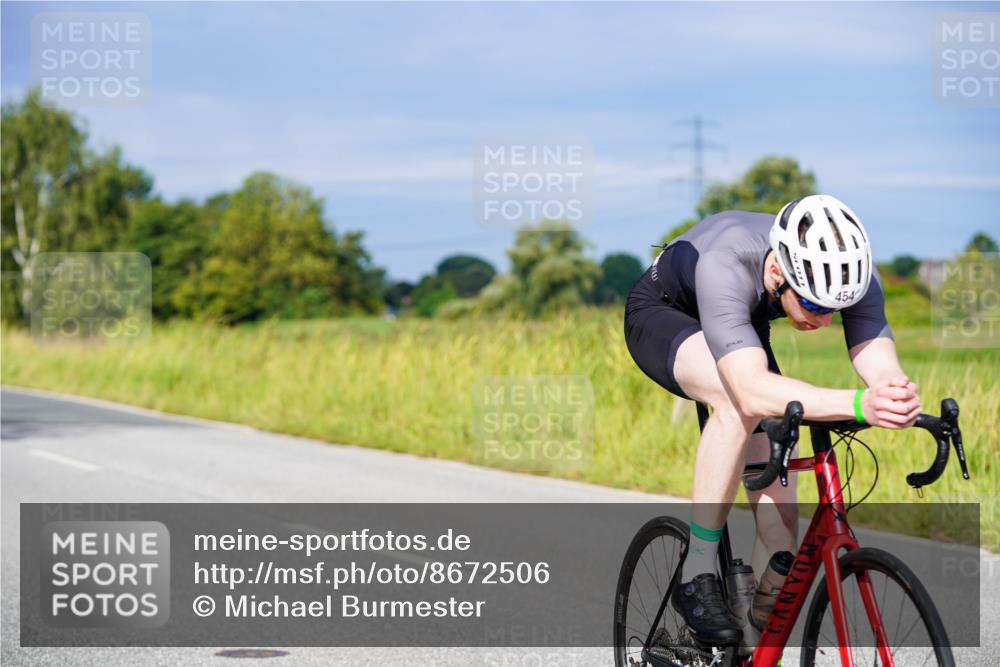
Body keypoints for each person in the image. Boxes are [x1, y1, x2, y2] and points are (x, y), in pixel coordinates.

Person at [623, 195, 921, 645]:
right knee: (736, 400)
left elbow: (878, 361)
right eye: (813, 306)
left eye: (833, 310)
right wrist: (860, 405)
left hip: (741, 321)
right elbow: (749, 388)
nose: (824, 320)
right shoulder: (728, 260)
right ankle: (697, 569)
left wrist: (894, 392)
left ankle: (752, 643)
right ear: (779, 271)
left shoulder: (849, 273)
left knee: (781, 528)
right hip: (667, 313)